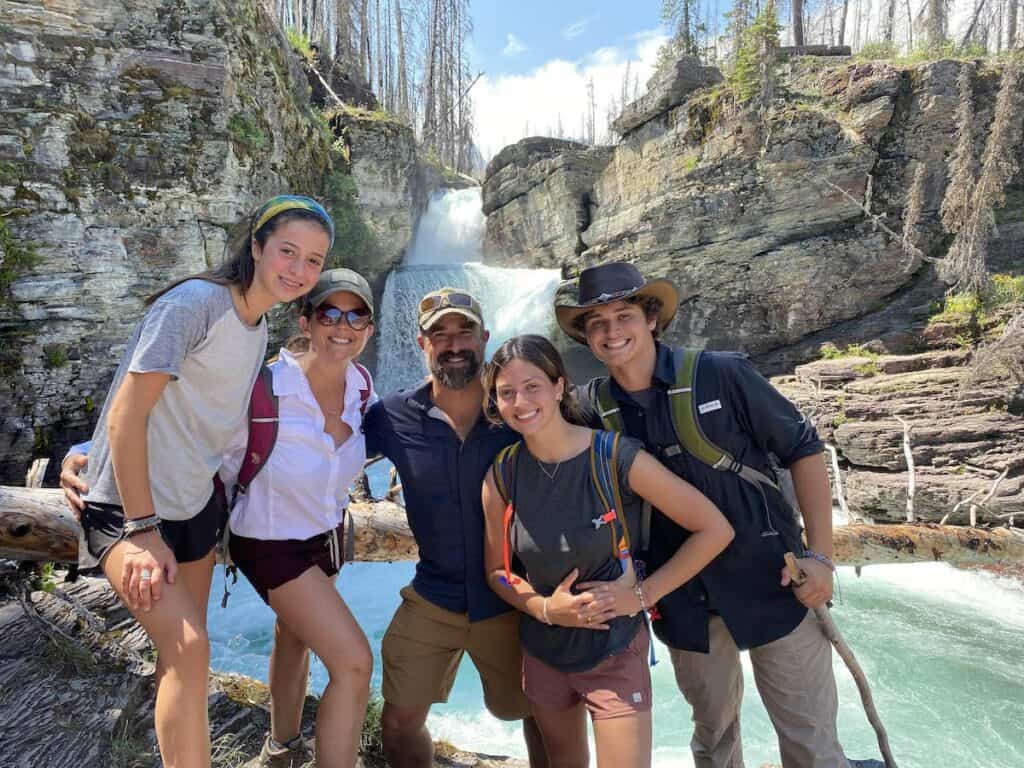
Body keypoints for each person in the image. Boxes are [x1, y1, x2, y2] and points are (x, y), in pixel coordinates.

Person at [66, 195, 332, 768]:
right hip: (130, 511)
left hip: (193, 510)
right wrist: (140, 527)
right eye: (288, 251)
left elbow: (195, 418)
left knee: (176, 659)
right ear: (257, 247)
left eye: (313, 261)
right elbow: (127, 412)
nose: (299, 270)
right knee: (190, 650)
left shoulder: (257, 328)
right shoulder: (196, 304)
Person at [557, 261, 850, 768]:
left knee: (810, 739)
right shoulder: (589, 408)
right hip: (682, 598)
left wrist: (820, 557)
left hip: (776, 579)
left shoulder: (722, 374)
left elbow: (804, 449)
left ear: (651, 318)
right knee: (714, 740)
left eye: (623, 315)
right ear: (586, 336)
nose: (611, 331)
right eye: (596, 322)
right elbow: (527, 416)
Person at [479, 334, 734, 768]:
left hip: (614, 650)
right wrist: (544, 608)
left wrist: (642, 595)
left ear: (559, 387)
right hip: (543, 650)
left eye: (533, 386)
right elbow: (498, 571)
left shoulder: (613, 456)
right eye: (506, 393)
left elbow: (714, 529)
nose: (520, 402)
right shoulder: (502, 473)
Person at [361, 289, 548, 768]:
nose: (454, 344)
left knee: (542, 714)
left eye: (464, 331)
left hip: (513, 596)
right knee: (399, 724)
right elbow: (324, 455)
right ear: (422, 343)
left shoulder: (517, 410)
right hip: (433, 596)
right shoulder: (390, 416)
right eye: (440, 334)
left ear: (485, 338)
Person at [221, 268, 377, 768]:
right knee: (354, 663)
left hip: (325, 537)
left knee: (295, 636)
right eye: (329, 311)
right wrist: (88, 453)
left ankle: (280, 748)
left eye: (356, 315)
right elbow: (185, 423)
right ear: (305, 320)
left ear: (369, 329)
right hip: (268, 540)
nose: (342, 324)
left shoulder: (362, 387)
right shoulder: (263, 385)